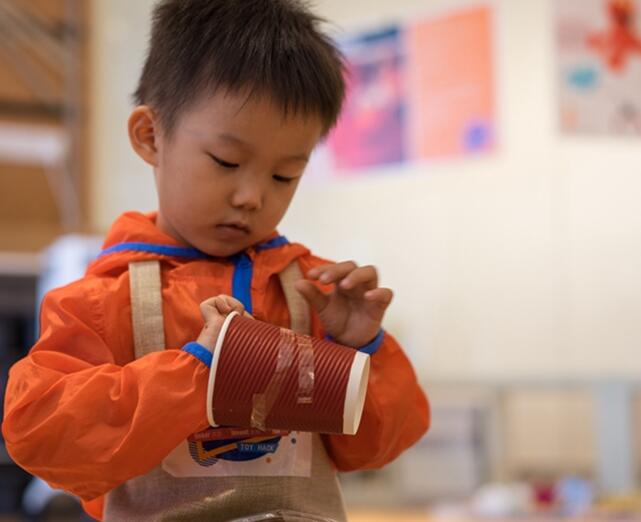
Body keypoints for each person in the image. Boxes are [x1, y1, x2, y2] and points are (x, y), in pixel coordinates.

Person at [2, 1, 430, 520]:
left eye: (284, 176)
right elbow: (45, 441)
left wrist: (363, 347)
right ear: (150, 136)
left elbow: (376, 448)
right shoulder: (99, 302)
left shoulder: (311, 291)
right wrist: (196, 373)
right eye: (226, 162)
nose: (252, 196)